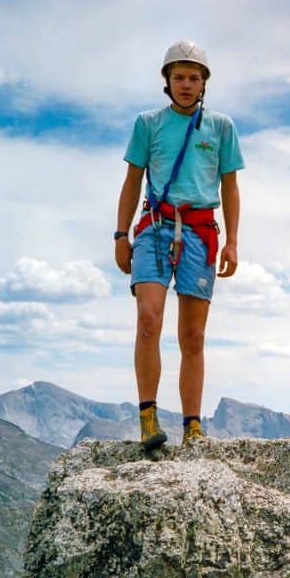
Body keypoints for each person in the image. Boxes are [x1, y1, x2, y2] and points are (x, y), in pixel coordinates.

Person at [114, 40, 244, 449]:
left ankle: (192, 426)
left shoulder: (221, 127)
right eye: (179, 77)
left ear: (204, 83)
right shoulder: (148, 123)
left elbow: (230, 187)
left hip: (201, 231)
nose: (186, 84)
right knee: (148, 319)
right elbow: (133, 180)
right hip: (155, 225)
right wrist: (121, 234)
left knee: (193, 336)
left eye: (193, 77)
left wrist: (233, 243)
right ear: (167, 82)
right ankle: (148, 419)